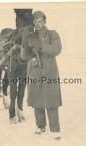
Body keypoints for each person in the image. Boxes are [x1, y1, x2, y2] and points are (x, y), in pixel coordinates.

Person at [25, 11, 62, 139]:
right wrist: (25, 44)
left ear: (45, 21)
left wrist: (40, 45)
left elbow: (57, 49)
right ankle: (40, 125)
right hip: (34, 69)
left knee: (51, 97)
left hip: (49, 69)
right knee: (36, 96)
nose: (37, 24)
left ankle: (55, 129)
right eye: (35, 21)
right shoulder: (31, 35)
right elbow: (24, 57)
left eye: (40, 21)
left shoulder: (52, 34)